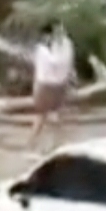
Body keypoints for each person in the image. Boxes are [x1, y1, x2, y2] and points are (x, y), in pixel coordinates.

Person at [29, 20, 74, 153]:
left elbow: (65, 61)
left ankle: (55, 144)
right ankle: (33, 144)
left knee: (53, 115)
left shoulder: (63, 45)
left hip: (58, 84)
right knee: (42, 116)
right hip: (46, 84)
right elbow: (54, 62)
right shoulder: (42, 49)